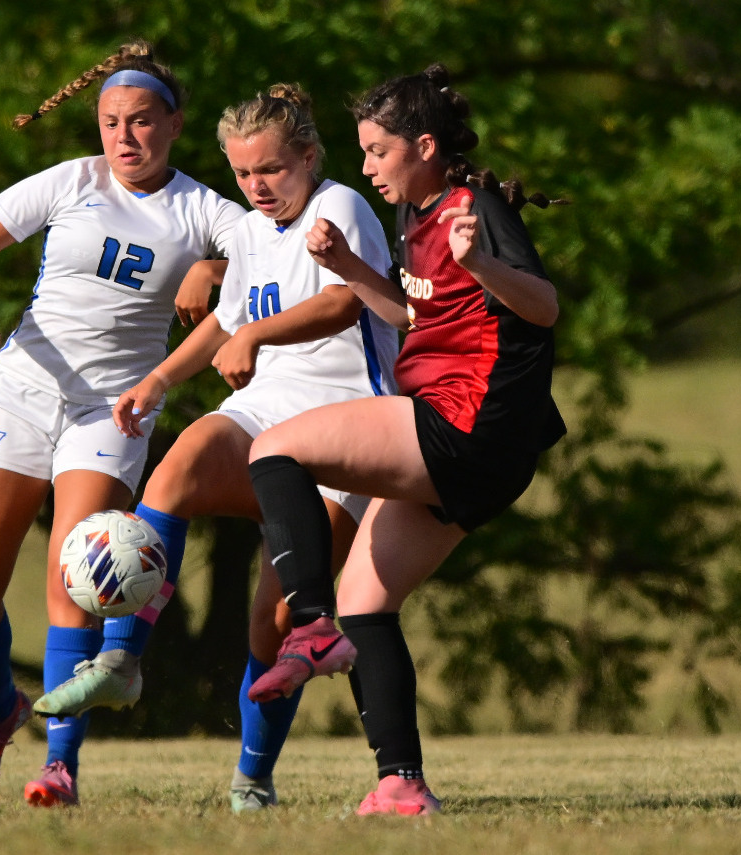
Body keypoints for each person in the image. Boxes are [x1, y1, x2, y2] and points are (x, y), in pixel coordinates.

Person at [32, 83, 400, 813]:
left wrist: (254, 336)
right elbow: (224, 321)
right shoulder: (252, 232)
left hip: (348, 423)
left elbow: (343, 301)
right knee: (178, 469)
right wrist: (159, 378)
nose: (256, 187)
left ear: (307, 156)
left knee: (272, 619)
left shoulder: (339, 205)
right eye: (241, 175)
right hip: (267, 407)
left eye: (270, 169)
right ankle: (121, 658)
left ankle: (252, 778)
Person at [246, 64, 565, 816]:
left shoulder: (471, 208)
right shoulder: (417, 214)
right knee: (368, 602)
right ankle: (400, 782)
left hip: (462, 421)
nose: (363, 167)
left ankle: (309, 625)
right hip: (488, 453)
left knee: (273, 450)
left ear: (423, 145)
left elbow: (544, 307)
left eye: (376, 150)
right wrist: (350, 269)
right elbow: (416, 320)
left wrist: (482, 261)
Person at [0, 41, 242, 808]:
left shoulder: (204, 209)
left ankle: (59, 766)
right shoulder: (71, 179)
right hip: (19, 392)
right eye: (111, 121)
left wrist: (214, 267)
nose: (124, 137)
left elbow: (271, 252)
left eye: (141, 122)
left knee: (76, 577)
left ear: (174, 125)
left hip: (111, 408)